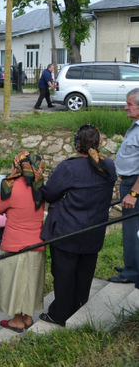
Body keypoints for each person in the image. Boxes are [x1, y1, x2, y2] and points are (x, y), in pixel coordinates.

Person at [39, 125, 116, 326]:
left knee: (64, 275)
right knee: (85, 273)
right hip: (93, 231)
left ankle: (60, 314)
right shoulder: (108, 166)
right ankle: (79, 309)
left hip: (67, 231)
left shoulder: (68, 168)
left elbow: (49, 193)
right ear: (100, 143)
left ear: (76, 144)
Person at [0, 152, 46, 333]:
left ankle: (18, 321)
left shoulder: (11, 187)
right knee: (31, 281)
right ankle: (28, 317)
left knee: (15, 282)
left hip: (15, 245)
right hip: (37, 243)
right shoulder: (40, 187)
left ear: (18, 166)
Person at [109, 88, 139, 284]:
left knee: (132, 229)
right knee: (131, 229)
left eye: (129, 104)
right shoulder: (135, 127)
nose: (125, 107)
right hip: (129, 182)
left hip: (134, 185)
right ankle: (132, 265)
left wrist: (134, 193)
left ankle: (132, 272)